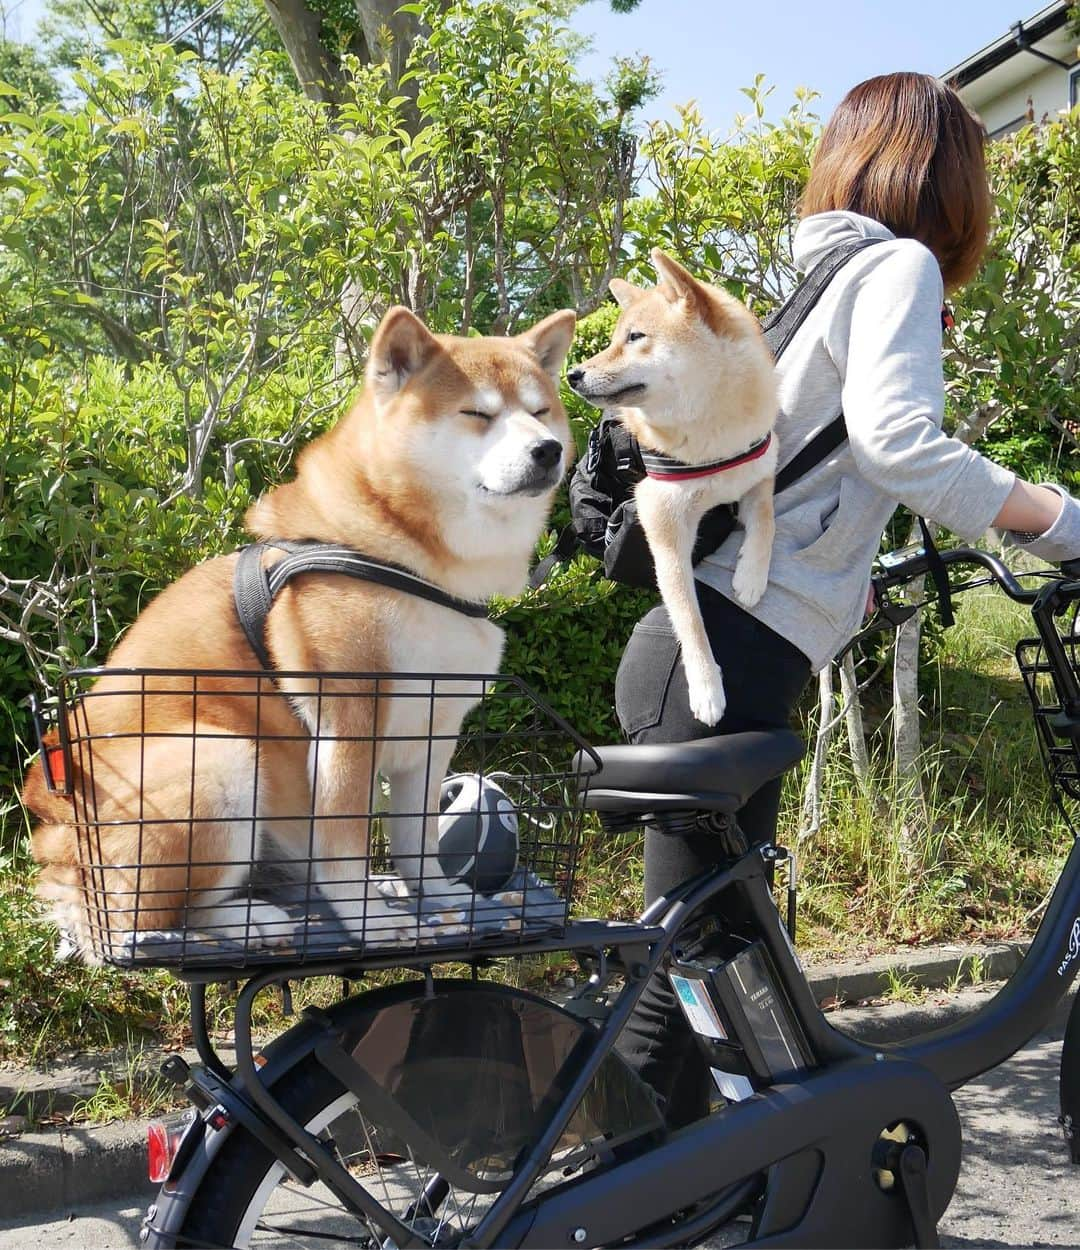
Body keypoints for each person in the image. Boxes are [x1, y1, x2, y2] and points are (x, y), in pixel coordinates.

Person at [613, 71, 1080, 1126]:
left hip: (712, 655)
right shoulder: (899, 266)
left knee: (725, 980)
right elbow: (899, 444)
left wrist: (843, 588)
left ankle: (703, 1205)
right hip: (720, 666)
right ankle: (583, 1214)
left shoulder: (820, 281)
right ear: (946, 183)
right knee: (683, 988)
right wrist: (1060, 520)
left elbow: (809, 477)